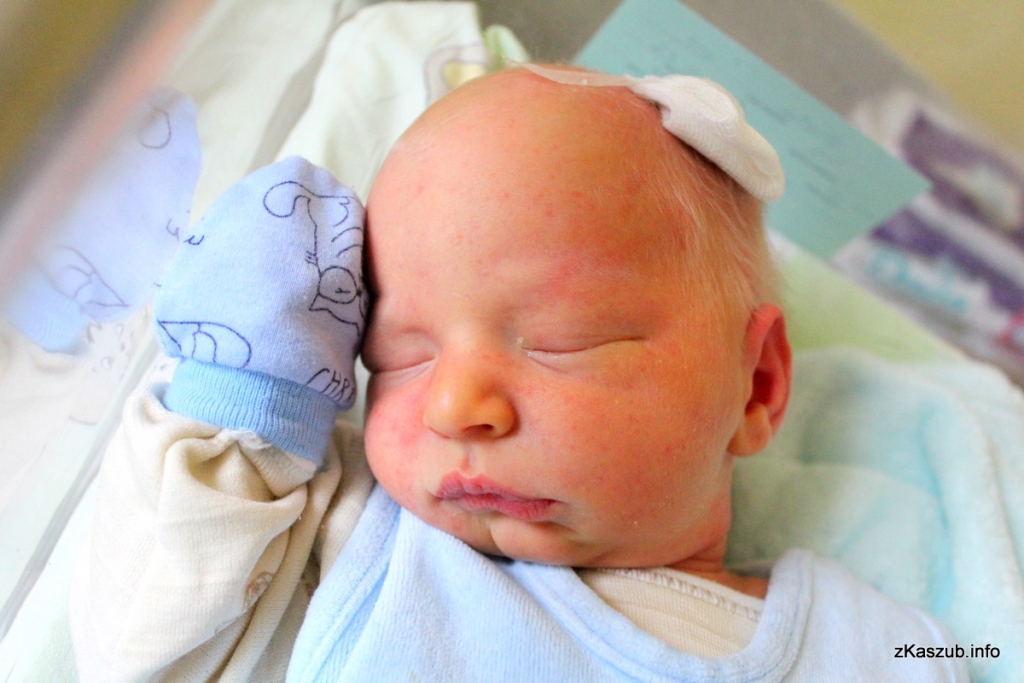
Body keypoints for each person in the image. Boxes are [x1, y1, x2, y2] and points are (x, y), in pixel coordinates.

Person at [70, 66, 967, 682]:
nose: (455, 404)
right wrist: (250, 398)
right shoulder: (365, 552)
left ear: (758, 385)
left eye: (561, 340)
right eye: (399, 356)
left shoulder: (883, 648)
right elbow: (151, 643)